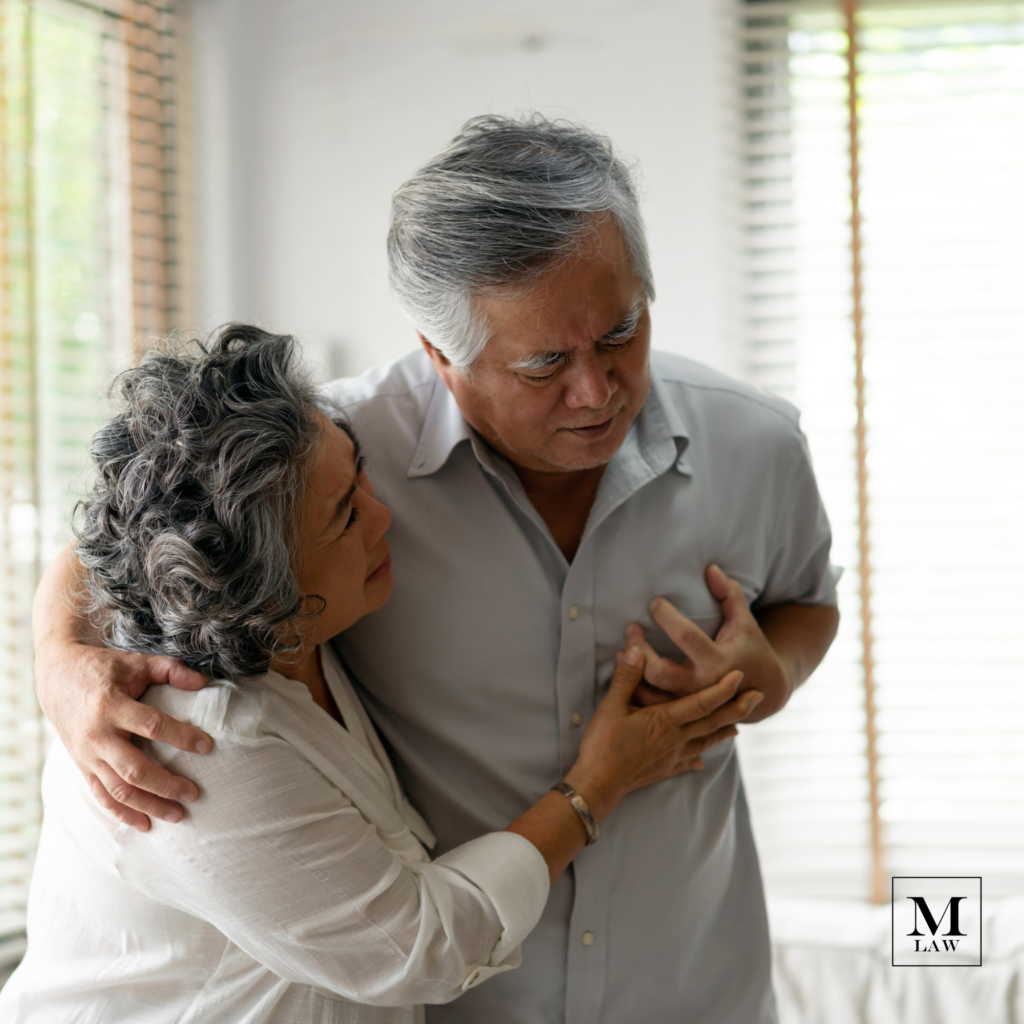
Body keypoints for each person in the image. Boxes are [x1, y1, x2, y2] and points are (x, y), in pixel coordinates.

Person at [33, 115, 840, 1023]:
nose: (597, 388)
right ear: (439, 354)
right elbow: (136, 538)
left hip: (696, 981)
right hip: (468, 995)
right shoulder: (330, 462)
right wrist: (59, 660)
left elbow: (809, 604)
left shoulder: (757, 442)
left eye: (621, 330)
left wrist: (772, 675)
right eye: (545, 363)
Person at [1, 327, 758, 1023]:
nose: (383, 514)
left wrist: (56, 650)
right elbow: (425, 947)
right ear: (267, 596)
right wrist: (598, 782)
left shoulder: (278, 618)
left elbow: (135, 520)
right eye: (344, 517)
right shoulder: (196, 747)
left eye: (358, 472)